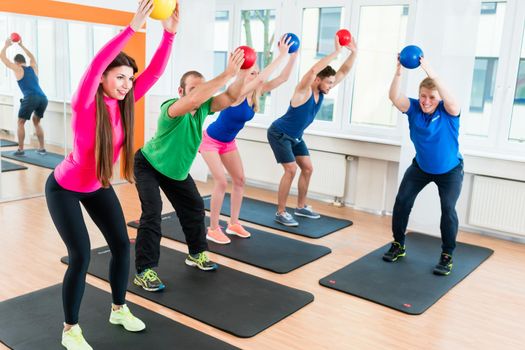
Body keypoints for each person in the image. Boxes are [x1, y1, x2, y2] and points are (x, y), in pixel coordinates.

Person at [45, 1, 179, 349]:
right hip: (64, 188)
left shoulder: (123, 104)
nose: (126, 84)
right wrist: (132, 28)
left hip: (96, 186)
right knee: (81, 256)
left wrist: (169, 35)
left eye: (129, 79)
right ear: (103, 77)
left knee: (122, 246)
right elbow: (95, 64)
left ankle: (118, 308)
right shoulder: (85, 103)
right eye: (119, 76)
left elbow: (155, 73)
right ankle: (70, 330)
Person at [133, 49, 247, 292]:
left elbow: (229, 97)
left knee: (194, 208)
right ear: (181, 92)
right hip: (149, 165)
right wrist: (227, 72)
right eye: (193, 88)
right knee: (152, 213)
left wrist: (242, 74)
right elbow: (194, 100)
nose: (199, 93)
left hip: (176, 172)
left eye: (202, 88)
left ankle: (197, 254)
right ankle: (145, 270)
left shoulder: (204, 108)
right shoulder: (171, 108)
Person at [200, 35, 297, 244]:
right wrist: (280, 54)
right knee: (220, 181)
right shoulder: (236, 93)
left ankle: (233, 223)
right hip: (210, 140)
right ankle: (213, 228)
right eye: (251, 72)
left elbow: (282, 79)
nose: (256, 76)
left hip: (228, 143)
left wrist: (291, 57)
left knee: (240, 180)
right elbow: (261, 79)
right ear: (244, 75)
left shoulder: (256, 92)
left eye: (256, 72)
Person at [383, 55, 463, 276]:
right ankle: (398, 244)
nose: (427, 101)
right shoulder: (414, 108)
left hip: (449, 171)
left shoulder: (449, 112)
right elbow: (394, 97)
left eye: (432, 97)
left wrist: (431, 71)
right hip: (420, 167)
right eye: (423, 96)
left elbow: (452, 100)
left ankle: (447, 255)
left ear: (439, 98)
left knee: (448, 209)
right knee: (402, 202)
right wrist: (399, 73)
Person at [267, 35, 358, 227]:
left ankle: (300, 207)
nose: (332, 87)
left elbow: (344, 70)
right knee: (291, 170)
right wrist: (336, 52)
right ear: (317, 80)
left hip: (296, 137)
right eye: (329, 83)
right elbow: (313, 69)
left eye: (332, 83)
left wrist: (354, 53)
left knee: (307, 169)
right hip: (279, 133)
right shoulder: (304, 90)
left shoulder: (322, 92)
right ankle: (281, 212)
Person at [1, 37, 47, 155]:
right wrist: (21, 45)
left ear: (17, 62)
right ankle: (42, 148)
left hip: (31, 97)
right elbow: (32, 57)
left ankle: (20, 149)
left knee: (20, 122)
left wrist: (6, 45)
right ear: (24, 60)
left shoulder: (18, 68)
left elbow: (3, 59)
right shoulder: (33, 67)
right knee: (36, 122)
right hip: (43, 97)